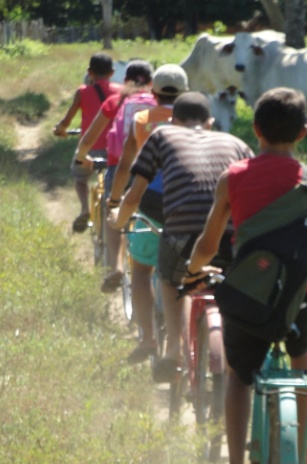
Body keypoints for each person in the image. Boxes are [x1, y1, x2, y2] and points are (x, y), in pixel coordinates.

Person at [182, 87, 307, 464]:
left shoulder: (234, 177)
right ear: (305, 133)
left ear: (255, 129)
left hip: (248, 297)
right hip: (303, 298)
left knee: (240, 377)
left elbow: (208, 243)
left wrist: (192, 273)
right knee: (302, 359)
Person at [110, 86, 254, 374]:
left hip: (180, 236)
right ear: (210, 122)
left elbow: (135, 194)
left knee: (170, 278)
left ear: (173, 120)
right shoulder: (237, 144)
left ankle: (174, 349)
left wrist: (118, 219)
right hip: (230, 237)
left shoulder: (161, 135)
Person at [109, 64, 186, 363]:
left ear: (152, 92)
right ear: (185, 93)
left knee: (141, 271)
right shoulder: (195, 121)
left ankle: (149, 339)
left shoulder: (142, 120)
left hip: (149, 201)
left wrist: (115, 199)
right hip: (186, 205)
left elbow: (126, 164)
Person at [73, 60, 156, 293]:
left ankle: (117, 266)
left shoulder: (116, 100)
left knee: (113, 213)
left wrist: (81, 156)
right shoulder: (157, 101)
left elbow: (89, 137)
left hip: (120, 167)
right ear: (150, 82)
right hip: (153, 170)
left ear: (125, 80)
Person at [53, 52, 121, 233]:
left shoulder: (82, 92)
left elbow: (67, 121)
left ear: (89, 72)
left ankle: (85, 208)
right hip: (116, 149)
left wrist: (60, 129)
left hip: (89, 150)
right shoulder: (121, 92)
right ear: (112, 72)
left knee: (80, 178)